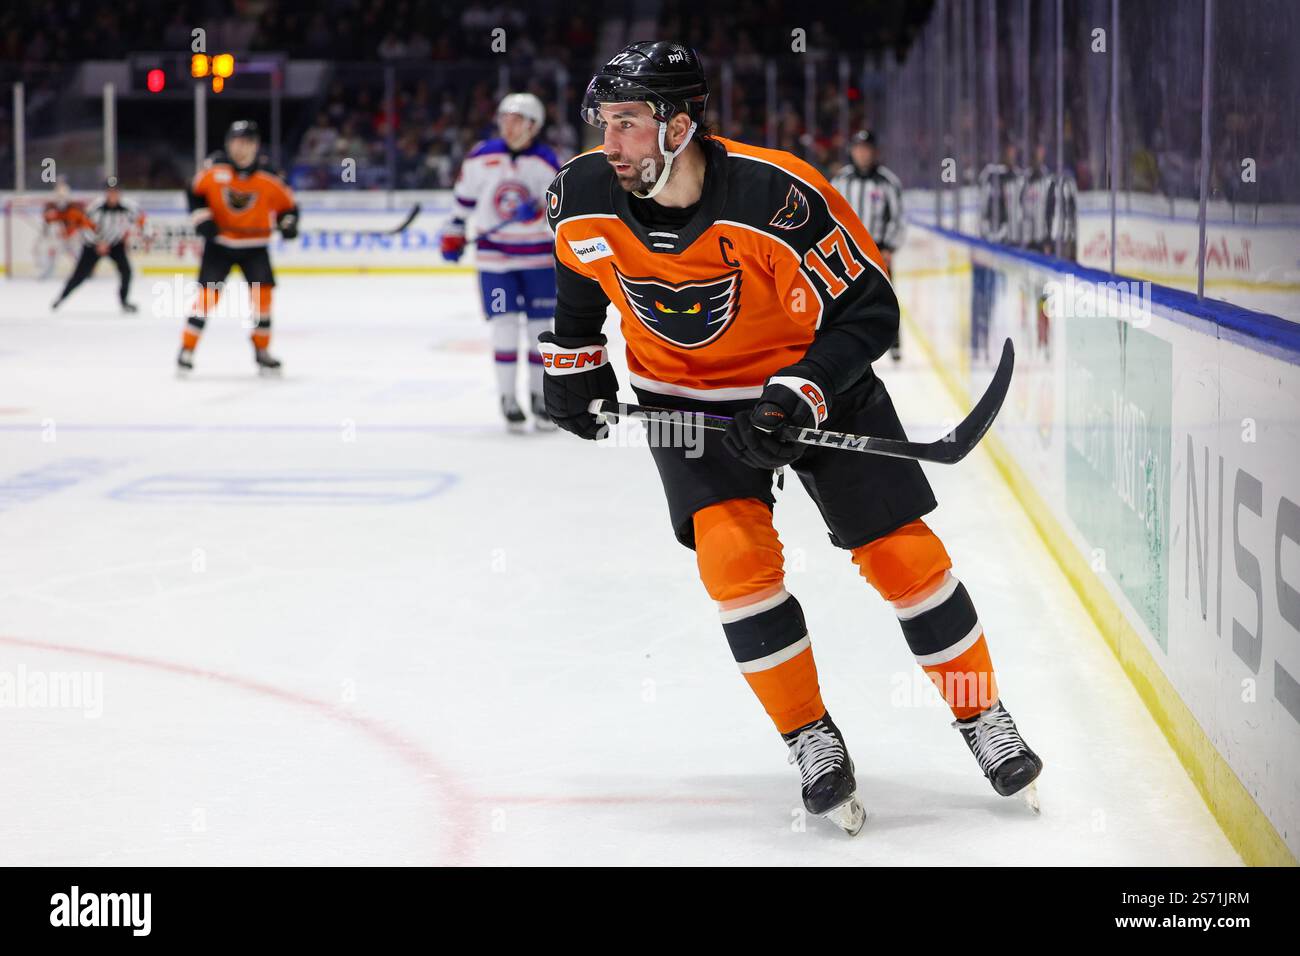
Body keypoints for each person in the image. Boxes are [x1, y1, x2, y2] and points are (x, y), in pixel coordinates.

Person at [538, 41, 1043, 835]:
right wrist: (574, 364)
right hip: (688, 400)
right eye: (604, 122)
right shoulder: (581, 194)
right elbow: (580, 281)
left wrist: (799, 393)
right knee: (734, 565)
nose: (610, 141)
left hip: (815, 385)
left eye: (627, 122)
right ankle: (810, 737)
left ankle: (983, 716)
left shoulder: (778, 197)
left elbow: (868, 313)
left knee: (904, 557)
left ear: (678, 126)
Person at [441, 93, 561, 431]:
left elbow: (560, 211)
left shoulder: (547, 161)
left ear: (534, 125)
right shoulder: (482, 156)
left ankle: (539, 397)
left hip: (537, 258)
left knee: (540, 329)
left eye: (517, 120)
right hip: (495, 259)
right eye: (505, 120)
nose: (508, 127)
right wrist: (453, 231)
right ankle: (508, 398)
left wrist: (540, 212)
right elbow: (463, 201)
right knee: (504, 325)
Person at [179, 120, 299, 376]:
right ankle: (187, 349)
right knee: (207, 298)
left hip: (255, 247)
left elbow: (288, 206)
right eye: (235, 142)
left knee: (263, 299)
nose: (239, 148)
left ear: (256, 146)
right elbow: (193, 191)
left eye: (245, 143)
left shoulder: (269, 174)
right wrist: (202, 218)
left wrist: (288, 223)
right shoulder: (215, 168)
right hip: (219, 246)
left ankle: (262, 350)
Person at [830, 130, 904, 360]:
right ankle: (842, 343)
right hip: (846, 250)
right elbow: (829, 214)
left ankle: (893, 343)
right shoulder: (840, 181)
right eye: (858, 149)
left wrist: (889, 247)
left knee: (884, 298)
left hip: (877, 251)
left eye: (867, 149)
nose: (862, 154)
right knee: (842, 299)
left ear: (875, 152)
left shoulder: (887, 182)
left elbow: (897, 218)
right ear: (852, 151)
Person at [50, 177, 144, 313]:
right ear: (106, 193)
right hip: (93, 245)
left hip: (115, 244)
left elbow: (141, 220)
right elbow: (85, 228)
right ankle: (61, 298)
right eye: (110, 192)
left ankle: (124, 302)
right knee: (80, 275)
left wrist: (147, 234)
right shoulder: (95, 207)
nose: (112, 195)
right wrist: (98, 243)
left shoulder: (128, 207)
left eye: (115, 192)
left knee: (126, 271)